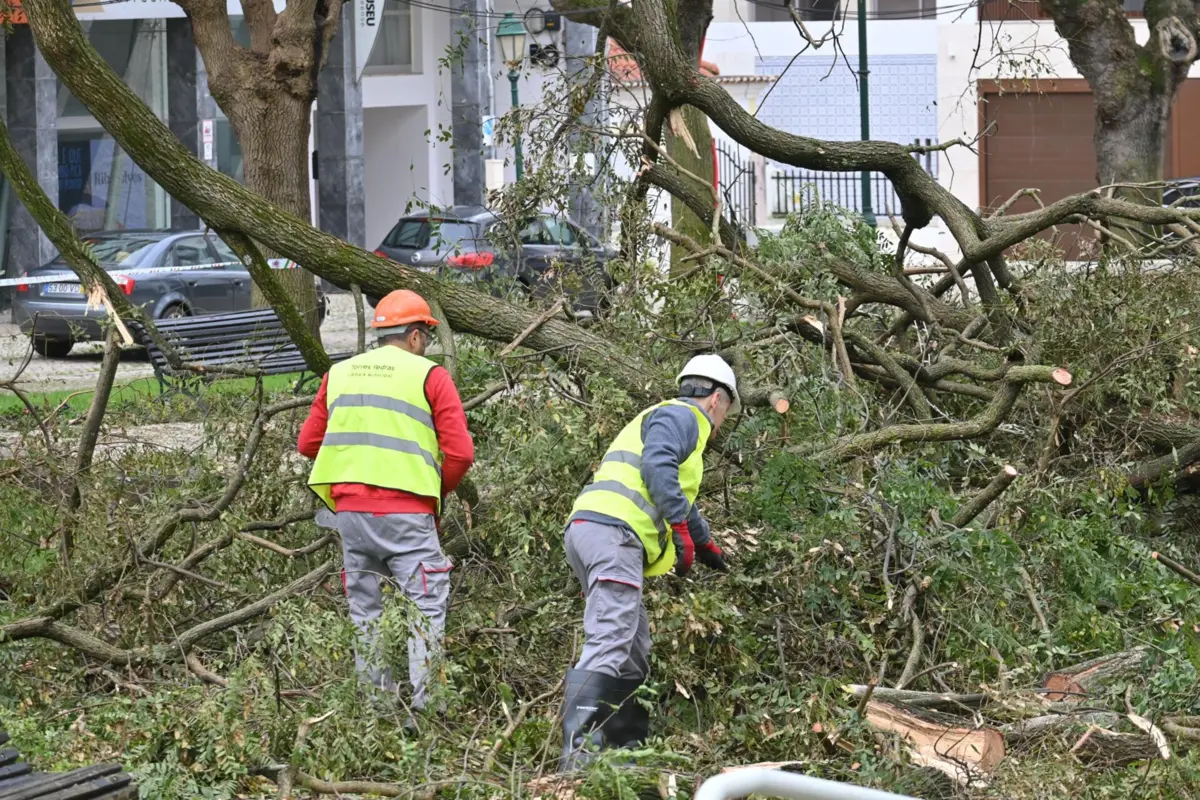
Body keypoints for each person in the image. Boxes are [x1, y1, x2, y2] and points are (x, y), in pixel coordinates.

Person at [299, 289, 474, 716]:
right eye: (426, 337)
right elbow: (461, 453)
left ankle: (376, 714)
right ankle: (429, 711)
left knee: (366, 611)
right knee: (426, 604)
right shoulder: (429, 376)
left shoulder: (339, 374)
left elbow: (308, 444)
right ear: (415, 336)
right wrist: (436, 493)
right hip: (407, 514)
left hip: (351, 516)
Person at [559, 355, 737, 770]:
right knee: (611, 637)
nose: (725, 420)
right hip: (614, 535)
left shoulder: (667, 418)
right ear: (716, 400)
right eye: (728, 410)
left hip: (594, 531)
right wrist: (676, 527)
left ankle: (623, 750)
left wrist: (704, 542)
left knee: (633, 646)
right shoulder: (684, 418)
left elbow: (677, 493)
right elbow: (658, 469)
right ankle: (580, 754)